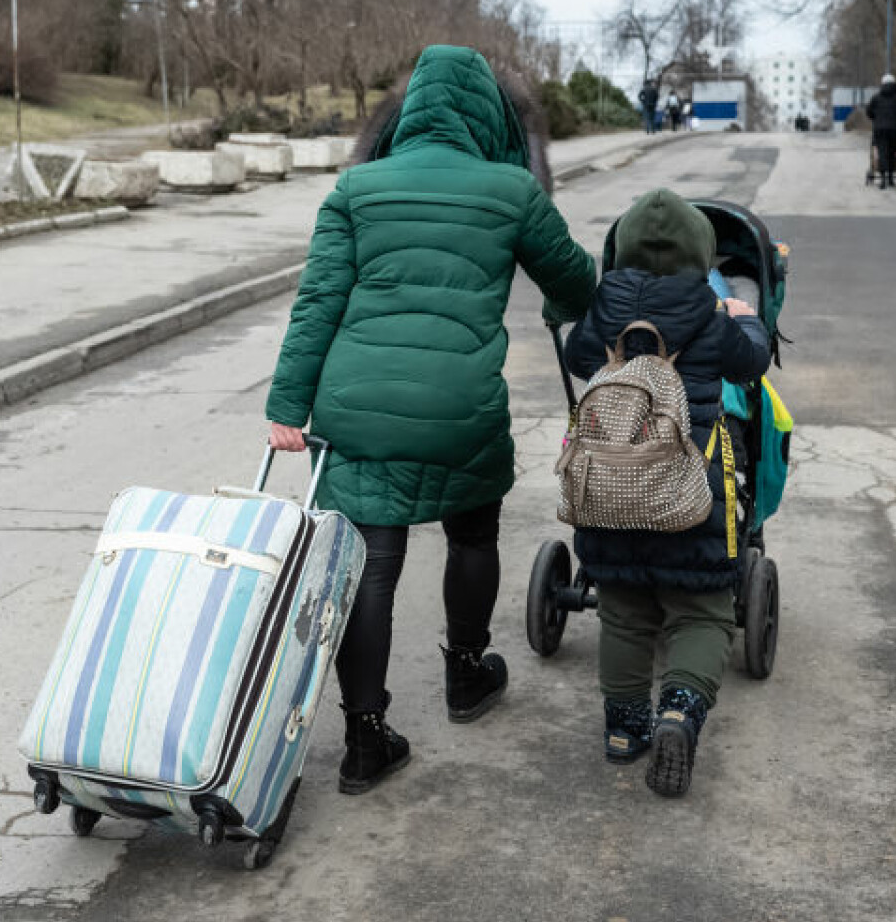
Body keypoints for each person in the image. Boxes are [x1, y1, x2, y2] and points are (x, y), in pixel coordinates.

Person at [264, 44, 597, 796]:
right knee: (472, 533)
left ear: (412, 109)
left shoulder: (358, 187)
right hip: (460, 407)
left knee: (371, 567)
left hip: (359, 410)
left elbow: (317, 301)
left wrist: (288, 408)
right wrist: (560, 303)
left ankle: (363, 739)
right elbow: (577, 280)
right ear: (487, 114)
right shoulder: (511, 190)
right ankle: (467, 673)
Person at [562, 189, 772, 798]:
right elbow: (751, 363)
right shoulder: (708, 312)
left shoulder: (604, 309)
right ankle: (678, 711)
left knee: (624, 611)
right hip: (689, 488)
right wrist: (745, 318)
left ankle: (624, 732)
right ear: (698, 255)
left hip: (610, 486)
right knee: (701, 608)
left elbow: (578, 358)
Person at [866, 73, 896, 190]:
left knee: (882, 152)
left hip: (880, 129)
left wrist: (875, 117)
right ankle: (890, 177)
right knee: (892, 151)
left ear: (882, 84)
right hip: (895, 129)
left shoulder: (876, 97)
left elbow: (869, 112)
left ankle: (883, 177)